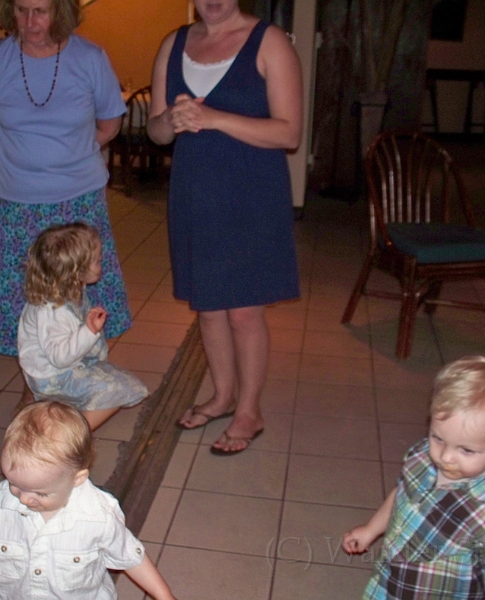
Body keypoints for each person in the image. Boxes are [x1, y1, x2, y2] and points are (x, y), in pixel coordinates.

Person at [148, 0, 303, 454]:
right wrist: (170, 120)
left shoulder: (270, 42)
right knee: (209, 307)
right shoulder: (173, 43)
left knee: (244, 311)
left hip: (252, 194)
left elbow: (289, 133)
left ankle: (249, 411)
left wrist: (214, 118)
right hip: (195, 192)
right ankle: (222, 396)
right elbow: (157, 132)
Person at [0, 0, 131, 406]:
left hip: (77, 201)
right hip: (12, 202)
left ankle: (71, 380)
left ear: (60, 11)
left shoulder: (90, 59)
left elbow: (110, 123)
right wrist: (24, 155)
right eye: (21, 10)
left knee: (77, 299)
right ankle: (37, 387)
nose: (30, 21)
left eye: (40, 10)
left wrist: (69, 155)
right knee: (24, 303)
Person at [343, 356, 485, 600]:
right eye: (438, 438)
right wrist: (371, 530)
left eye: (466, 450)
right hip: (392, 582)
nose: (445, 457)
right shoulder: (423, 457)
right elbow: (401, 494)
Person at [0, 401, 177, 600]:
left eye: (40, 493)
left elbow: (131, 557)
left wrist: (164, 595)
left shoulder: (98, 517)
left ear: (77, 479)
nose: (24, 498)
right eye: (14, 485)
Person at [18, 223, 148, 429]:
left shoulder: (66, 285)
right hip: (54, 376)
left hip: (61, 369)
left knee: (120, 382)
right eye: (97, 260)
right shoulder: (53, 310)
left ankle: (61, 418)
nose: (102, 260)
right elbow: (60, 357)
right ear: (75, 271)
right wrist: (89, 332)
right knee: (115, 392)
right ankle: (73, 437)